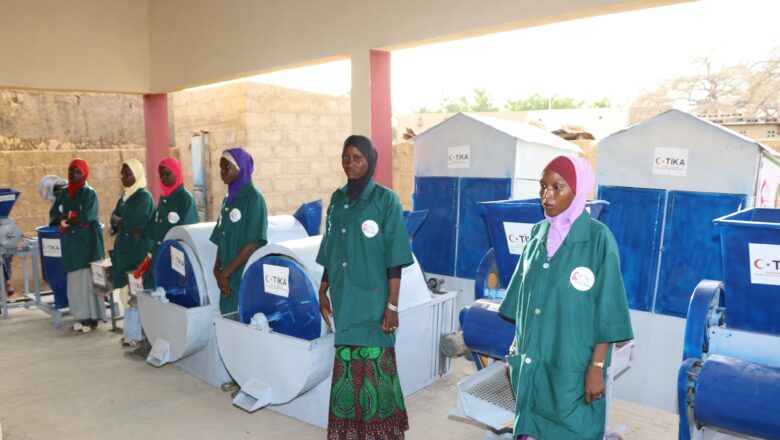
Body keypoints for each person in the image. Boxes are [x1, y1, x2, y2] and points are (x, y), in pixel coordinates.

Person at [498, 156, 633, 440]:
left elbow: (608, 310)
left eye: (557, 187)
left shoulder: (598, 239)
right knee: (530, 422)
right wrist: (514, 348)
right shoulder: (537, 233)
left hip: (572, 361)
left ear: (578, 190)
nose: (546, 195)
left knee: (573, 427)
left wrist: (597, 366)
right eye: (543, 186)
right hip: (533, 356)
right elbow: (523, 298)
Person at [316, 135, 413, 440]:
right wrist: (323, 289)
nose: (350, 164)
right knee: (348, 370)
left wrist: (392, 305)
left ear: (370, 160)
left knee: (376, 369)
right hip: (345, 300)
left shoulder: (386, 200)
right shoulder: (337, 199)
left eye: (357, 158)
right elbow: (330, 247)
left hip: (373, 302)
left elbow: (394, 257)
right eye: (346, 158)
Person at [125, 156, 199, 361]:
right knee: (152, 302)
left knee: (169, 303)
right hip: (157, 260)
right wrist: (143, 231)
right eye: (161, 175)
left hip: (174, 264)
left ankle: (167, 343)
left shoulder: (185, 200)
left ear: (177, 174)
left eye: (168, 174)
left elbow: (188, 233)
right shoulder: (164, 200)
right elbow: (157, 227)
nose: (164, 178)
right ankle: (148, 341)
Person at [209, 148, 268, 315]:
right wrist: (217, 268)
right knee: (227, 321)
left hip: (242, 274)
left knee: (242, 320)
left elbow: (252, 244)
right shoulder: (227, 201)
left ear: (241, 167)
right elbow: (222, 236)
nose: (222, 172)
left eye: (227, 167)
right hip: (226, 278)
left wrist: (225, 274)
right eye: (221, 167)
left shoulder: (254, 199)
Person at [109, 159, 154, 346]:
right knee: (126, 294)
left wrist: (122, 221)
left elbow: (130, 221)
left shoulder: (143, 197)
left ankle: (139, 334)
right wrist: (120, 221)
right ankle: (131, 333)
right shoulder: (125, 196)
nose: (124, 177)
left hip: (138, 252)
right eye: (122, 173)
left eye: (128, 174)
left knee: (137, 294)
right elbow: (114, 219)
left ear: (137, 175)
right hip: (125, 251)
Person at [58, 158, 106, 333]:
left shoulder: (89, 193)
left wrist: (70, 218)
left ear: (84, 173)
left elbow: (87, 216)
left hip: (88, 243)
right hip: (72, 245)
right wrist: (71, 217)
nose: (73, 175)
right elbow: (56, 215)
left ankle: (93, 319)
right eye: (71, 171)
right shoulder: (64, 193)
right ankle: (81, 317)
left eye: (77, 171)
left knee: (90, 279)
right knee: (76, 281)